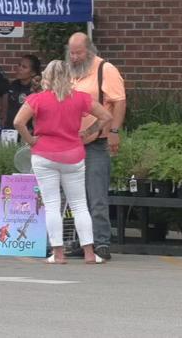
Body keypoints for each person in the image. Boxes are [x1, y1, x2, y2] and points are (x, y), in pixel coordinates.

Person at [14, 60, 113, 264]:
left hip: (44, 154)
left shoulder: (37, 99)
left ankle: (58, 253)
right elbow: (106, 115)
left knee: (52, 205)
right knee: (79, 205)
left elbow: (18, 122)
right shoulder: (80, 98)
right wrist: (88, 132)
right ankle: (89, 253)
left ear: (47, 77)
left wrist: (31, 140)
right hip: (73, 154)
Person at [67, 32, 126, 261]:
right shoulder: (70, 71)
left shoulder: (105, 70)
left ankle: (101, 242)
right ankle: (82, 242)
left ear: (89, 50)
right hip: (72, 141)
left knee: (96, 194)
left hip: (96, 142)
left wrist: (114, 132)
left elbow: (119, 101)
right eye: (71, 53)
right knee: (75, 195)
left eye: (79, 52)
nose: (74, 57)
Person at [4, 54, 41, 129]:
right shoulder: (13, 85)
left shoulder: (36, 89)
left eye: (24, 67)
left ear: (33, 73)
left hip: (27, 132)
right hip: (10, 130)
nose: (19, 68)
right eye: (19, 65)